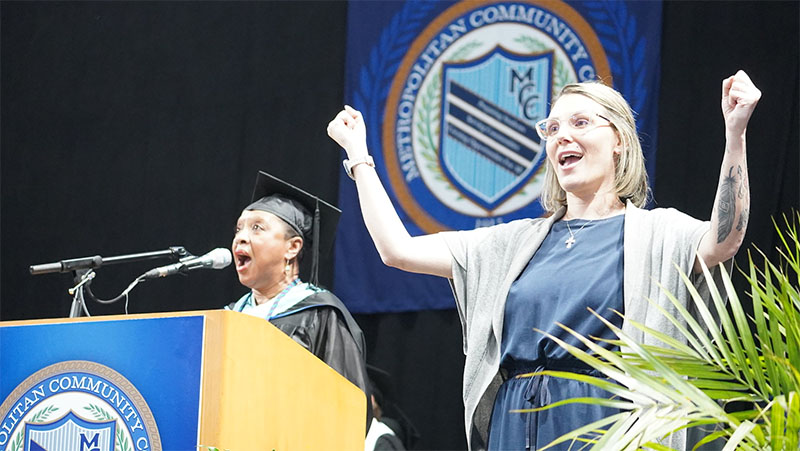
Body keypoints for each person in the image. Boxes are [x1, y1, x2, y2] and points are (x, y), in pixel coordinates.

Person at [327, 70, 760, 450]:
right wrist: (359, 157)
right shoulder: (515, 244)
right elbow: (397, 250)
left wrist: (735, 133)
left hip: (603, 420)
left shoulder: (656, 233)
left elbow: (724, 238)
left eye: (580, 122)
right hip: (514, 423)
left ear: (619, 142)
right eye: (552, 129)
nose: (561, 136)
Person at [225, 170, 372, 431]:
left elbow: (348, 411)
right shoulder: (228, 318)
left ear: (292, 247)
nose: (241, 237)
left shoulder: (321, 314)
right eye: (239, 229)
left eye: (257, 228)